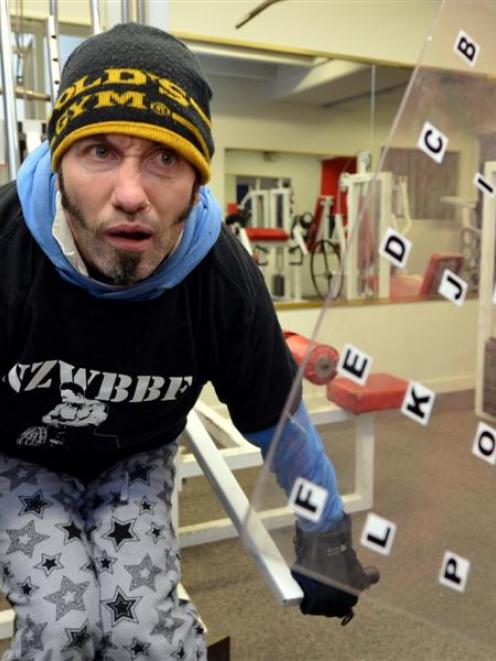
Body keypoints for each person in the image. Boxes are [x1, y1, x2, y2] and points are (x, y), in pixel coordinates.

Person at [0, 23, 375, 661]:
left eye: (165, 158)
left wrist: (325, 526)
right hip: (18, 459)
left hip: (134, 460)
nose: (129, 194)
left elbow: (276, 418)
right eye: (99, 151)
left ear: (199, 178)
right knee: (63, 627)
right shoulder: (6, 250)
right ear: (59, 158)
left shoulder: (223, 281)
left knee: (146, 632)